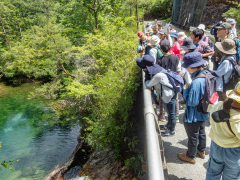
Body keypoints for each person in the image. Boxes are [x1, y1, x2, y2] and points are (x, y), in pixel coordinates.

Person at [177, 52, 208, 164]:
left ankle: (191, 156)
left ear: (193, 67)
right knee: (201, 131)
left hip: (193, 115)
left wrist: (186, 89)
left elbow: (191, 102)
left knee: (193, 135)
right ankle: (201, 151)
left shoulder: (196, 82)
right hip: (203, 111)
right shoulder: (206, 74)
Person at [206, 82, 240, 180]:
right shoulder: (238, 119)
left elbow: (211, 121)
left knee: (212, 172)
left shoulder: (219, 106)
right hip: (234, 152)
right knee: (231, 177)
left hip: (216, 146)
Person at [158, 40, 181, 122]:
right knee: (175, 99)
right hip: (174, 82)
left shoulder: (159, 60)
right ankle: (176, 116)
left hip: (164, 83)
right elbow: (179, 70)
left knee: (162, 99)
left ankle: (162, 116)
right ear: (170, 48)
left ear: (161, 49)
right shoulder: (176, 58)